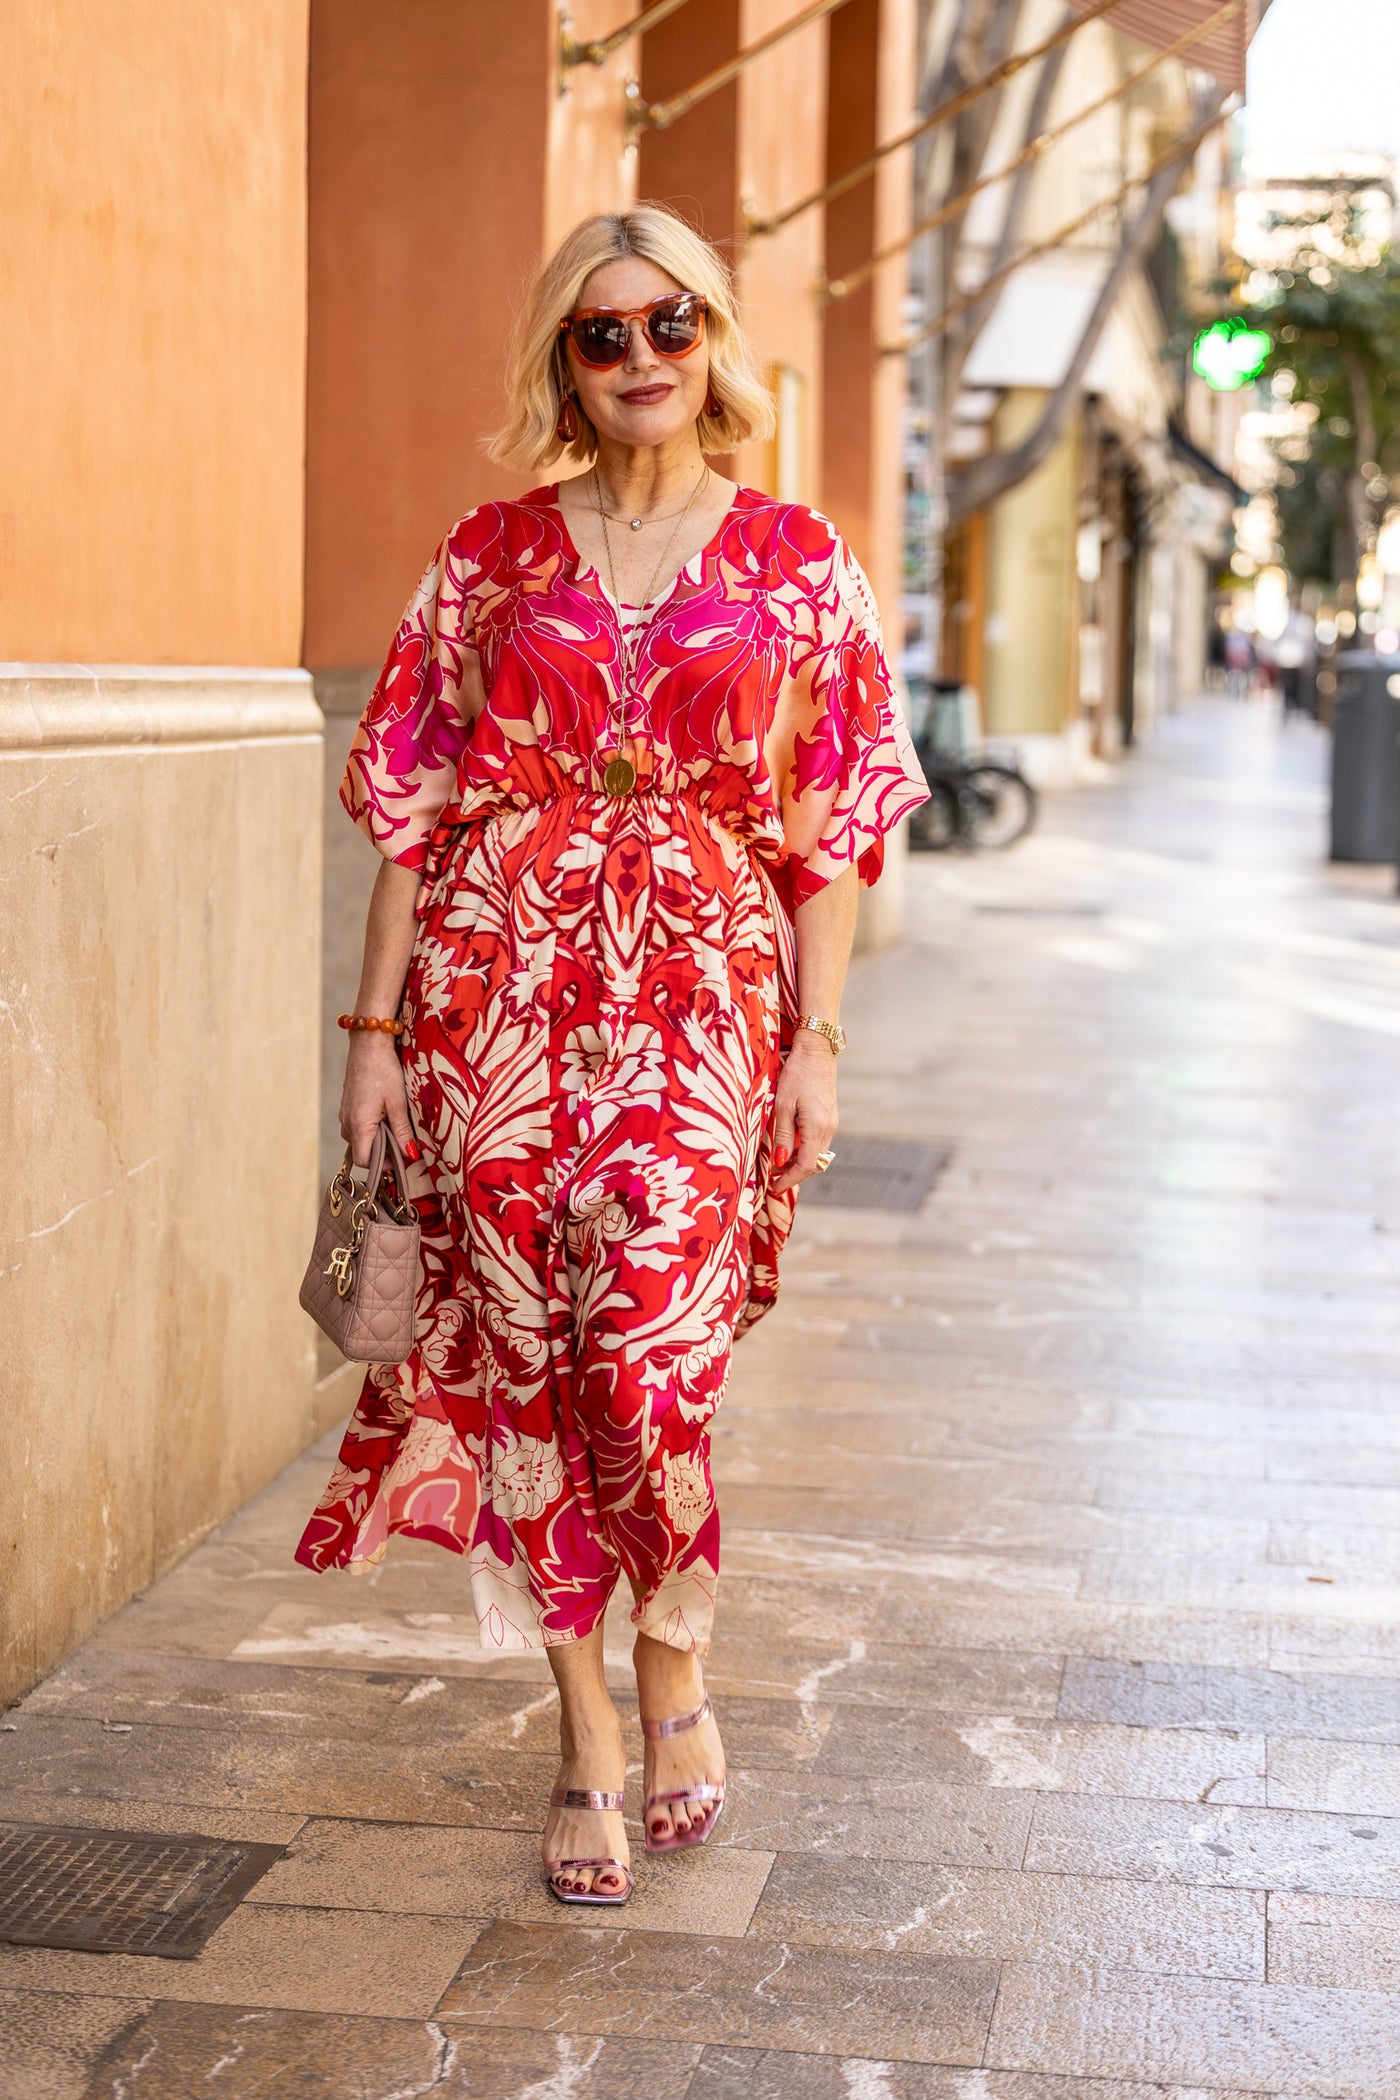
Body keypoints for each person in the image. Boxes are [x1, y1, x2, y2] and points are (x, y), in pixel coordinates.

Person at [295, 204, 927, 1906]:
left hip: (704, 1009)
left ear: (713, 340)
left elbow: (832, 829)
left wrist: (818, 1043)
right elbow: (412, 818)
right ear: (561, 362)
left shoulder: (799, 557)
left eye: (669, 325)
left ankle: (678, 1667)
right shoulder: (490, 555)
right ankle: (584, 1732)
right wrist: (369, 1042)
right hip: (491, 999)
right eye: (603, 333)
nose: (642, 356)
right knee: (524, 1369)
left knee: (649, 1373)